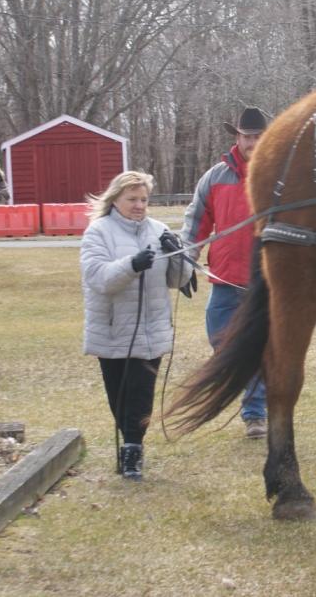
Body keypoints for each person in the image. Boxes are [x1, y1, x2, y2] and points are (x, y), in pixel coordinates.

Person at [80, 170, 193, 480]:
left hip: (150, 328)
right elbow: (99, 278)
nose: (139, 205)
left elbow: (177, 280)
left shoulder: (159, 230)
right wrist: (131, 265)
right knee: (119, 395)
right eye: (132, 199)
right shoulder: (97, 232)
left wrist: (178, 257)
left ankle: (133, 450)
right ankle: (129, 439)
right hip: (113, 329)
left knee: (141, 394)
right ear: (116, 199)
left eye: (143, 199)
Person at [182, 106, 269, 439]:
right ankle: (239, 392)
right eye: (248, 136)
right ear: (238, 137)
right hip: (225, 280)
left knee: (259, 347)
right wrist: (186, 262)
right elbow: (195, 223)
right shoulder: (216, 177)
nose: (253, 142)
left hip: (265, 282)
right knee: (222, 344)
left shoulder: (277, 175)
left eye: (259, 136)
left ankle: (255, 413)